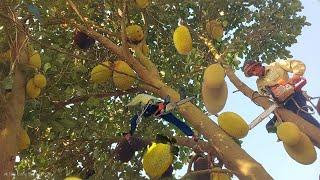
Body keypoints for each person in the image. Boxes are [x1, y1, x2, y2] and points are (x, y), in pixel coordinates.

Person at [242, 59, 320, 132]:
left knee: (303, 116)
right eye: (252, 73)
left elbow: (296, 64)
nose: (254, 73)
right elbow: (263, 95)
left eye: (254, 70)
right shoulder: (259, 82)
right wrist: (270, 94)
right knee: (270, 126)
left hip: (294, 95)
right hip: (282, 105)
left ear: (258, 65)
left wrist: (296, 75)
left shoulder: (275, 65)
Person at [124, 94, 199, 141]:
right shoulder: (145, 98)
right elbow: (134, 102)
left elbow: (134, 101)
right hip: (155, 108)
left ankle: (191, 134)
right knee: (175, 121)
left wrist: (127, 105)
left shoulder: (141, 96)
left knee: (175, 121)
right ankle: (191, 134)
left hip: (153, 105)